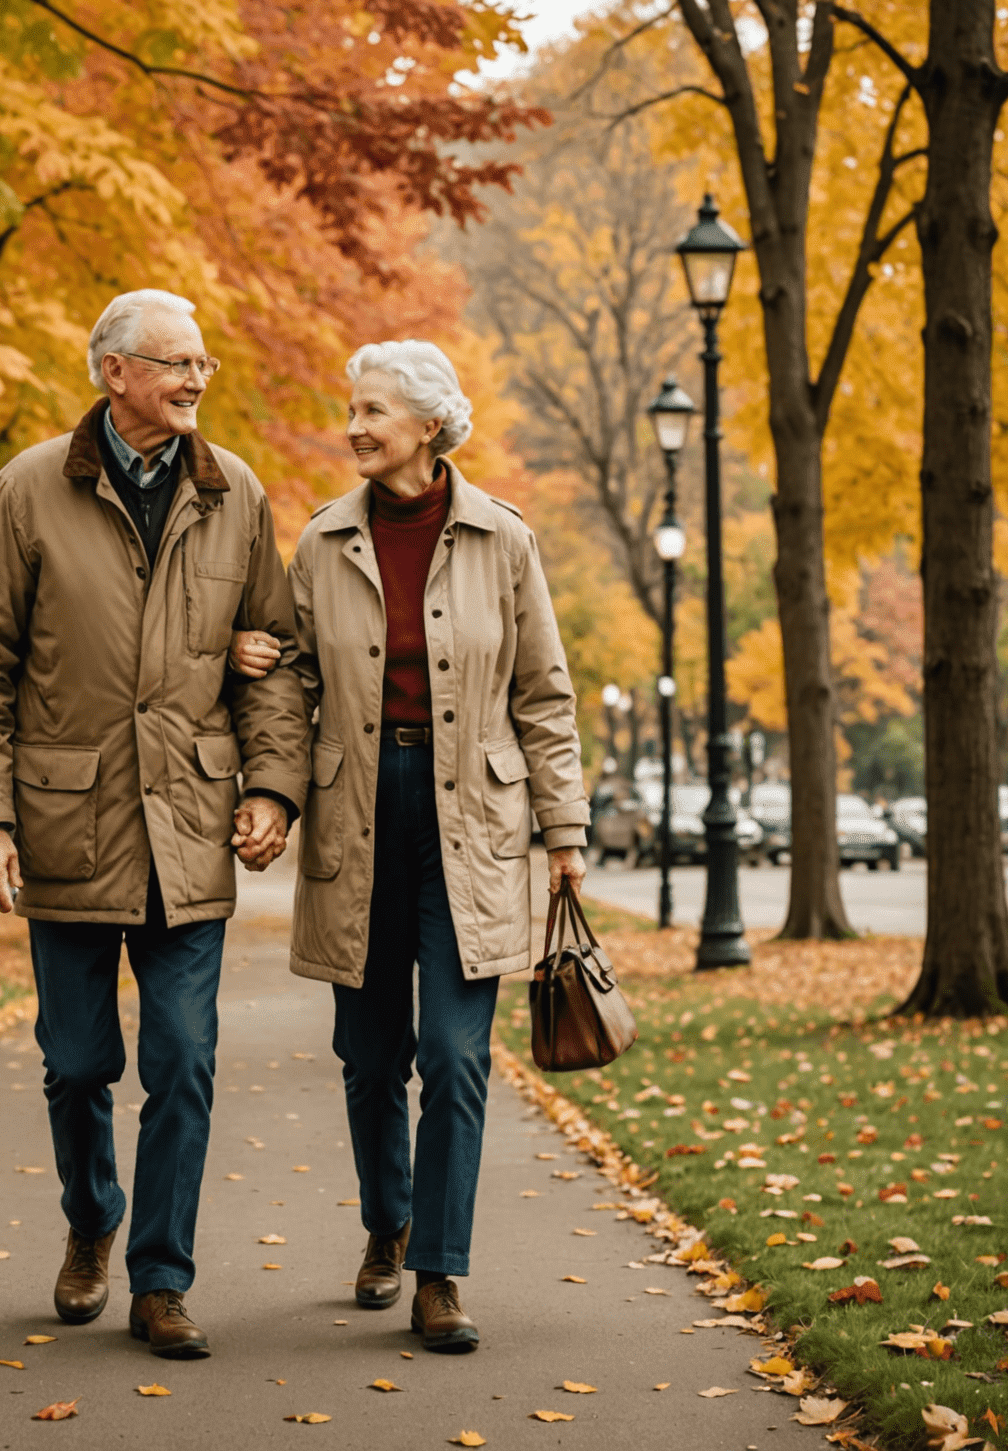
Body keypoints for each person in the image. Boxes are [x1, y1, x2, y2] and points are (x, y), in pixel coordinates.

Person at [0, 289, 309, 1361]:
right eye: (176, 364)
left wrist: (273, 790)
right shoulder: (29, 489)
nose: (198, 381)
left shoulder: (235, 492)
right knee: (76, 1062)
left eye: (204, 365)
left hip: (189, 828)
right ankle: (93, 1213)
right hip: (65, 825)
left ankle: (160, 1278)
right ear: (113, 373)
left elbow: (272, 658)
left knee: (185, 1060)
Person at [229, 339, 589, 1354]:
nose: (354, 425)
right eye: (351, 408)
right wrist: (272, 787)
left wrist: (564, 832)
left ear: (429, 423)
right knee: (368, 1053)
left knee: (457, 1055)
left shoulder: (502, 540)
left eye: (373, 409)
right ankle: (386, 1223)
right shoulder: (321, 541)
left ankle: (440, 1270)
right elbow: (290, 686)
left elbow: (544, 695)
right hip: (359, 805)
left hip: (472, 813)